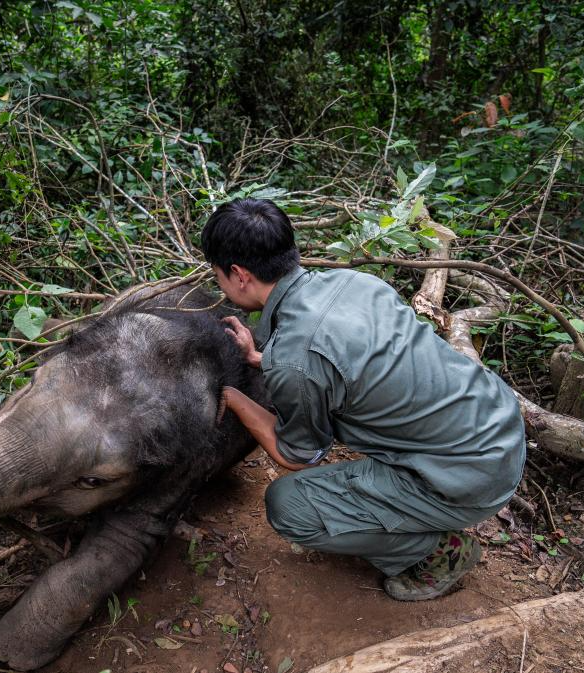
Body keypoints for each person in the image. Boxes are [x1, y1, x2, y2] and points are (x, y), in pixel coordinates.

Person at [202, 198, 525, 601]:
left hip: (468, 480)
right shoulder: (355, 283)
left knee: (289, 507)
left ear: (239, 274)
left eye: (218, 276)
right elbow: (342, 357)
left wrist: (232, 397)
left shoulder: (295, 360)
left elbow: (299, 454)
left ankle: (438, 553)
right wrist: (261, 358)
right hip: (500, 430)